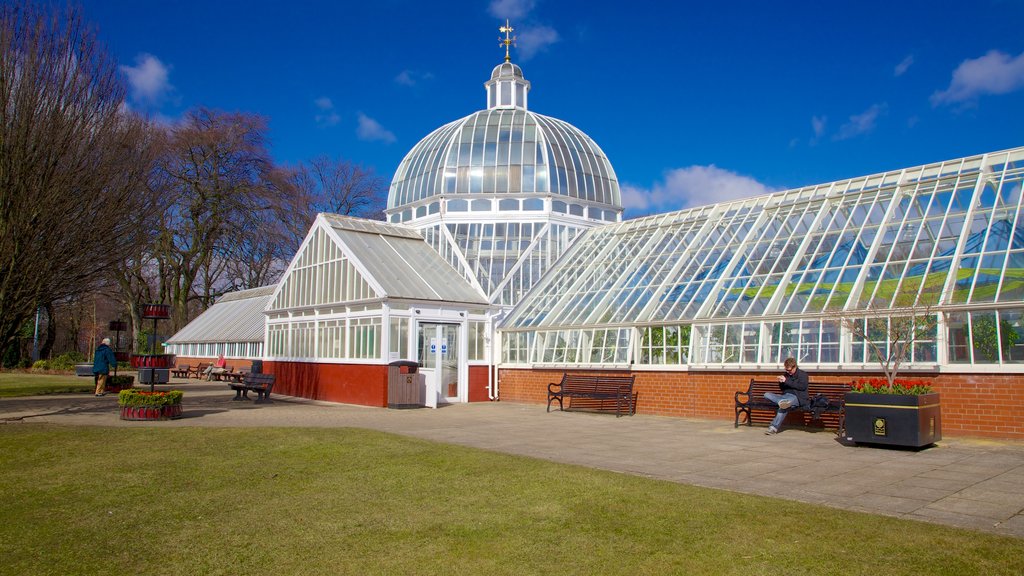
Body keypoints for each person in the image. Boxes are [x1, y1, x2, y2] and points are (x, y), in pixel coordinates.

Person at [763, 357, 809, 435]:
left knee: (783, 407)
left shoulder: (803, 374)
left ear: (795, 367)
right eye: (786, 370)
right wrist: (781, 382)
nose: (788, 372)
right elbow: (782, 389)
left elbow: (802, 387)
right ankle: (782, 402)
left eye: (789, 370)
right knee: (766, 394)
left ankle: (773, 428)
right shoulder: (786, 375)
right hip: (785, 396)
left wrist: (786, 381)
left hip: (797, 397)